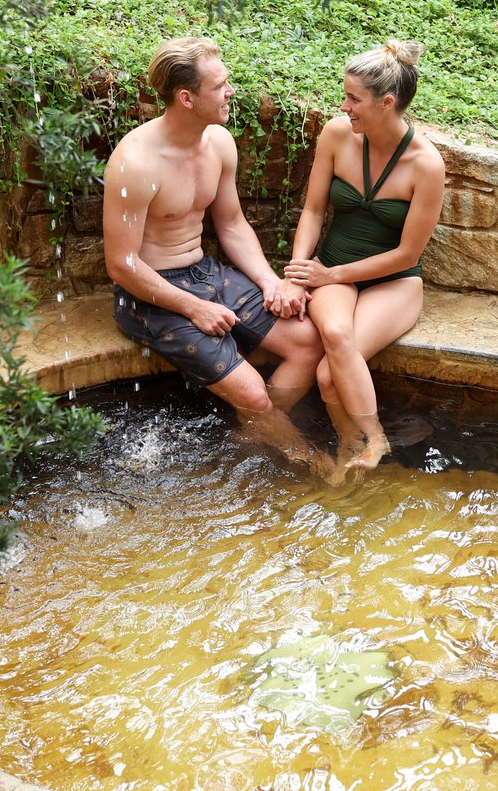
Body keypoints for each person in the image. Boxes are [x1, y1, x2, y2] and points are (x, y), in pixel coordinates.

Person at [102, 37, 323, 450]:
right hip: (149, 294)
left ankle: (254, 433)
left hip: (205, 271)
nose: (231, 91)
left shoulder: (219, 143)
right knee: (255, 394)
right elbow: (121, 264)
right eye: (220, 85)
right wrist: (194, 307)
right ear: (187, 97)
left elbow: (233, 224)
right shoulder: (136, 163)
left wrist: (270, 281)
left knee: (308, 343)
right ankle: (306, 461)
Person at [281, 40, 445, 472]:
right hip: (333, 272)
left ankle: (368, 443)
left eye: (354, 99)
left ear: (386, 103)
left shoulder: (426, 165)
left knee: (325, 376)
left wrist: (330, 275)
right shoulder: (337, 134)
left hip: (395, 280)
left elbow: (408, 252)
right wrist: (301, 270)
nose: (344, 106)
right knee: (335, 336)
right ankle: (355, 448)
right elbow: (314, 209)